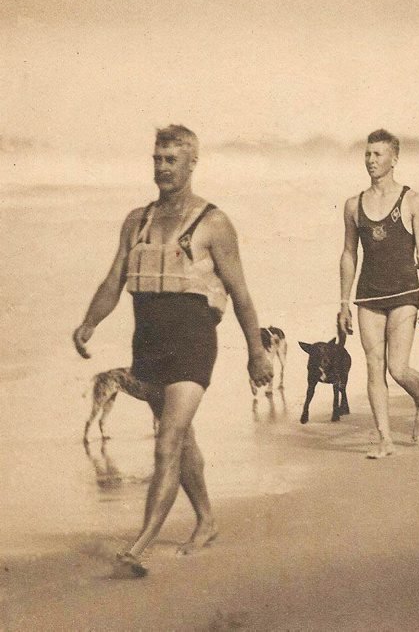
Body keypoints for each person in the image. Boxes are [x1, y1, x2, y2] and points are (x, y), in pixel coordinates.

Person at [72, 125, 273, 578]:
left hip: (193, 343)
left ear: (191, 162)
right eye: (157, 159)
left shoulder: (213, 222)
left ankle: (138, 546)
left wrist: (256, 352)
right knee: (182, 440)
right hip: (148, 346)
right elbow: (113, 282)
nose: (162, 168)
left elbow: (240, 293)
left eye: (171, 160)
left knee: (167, 442)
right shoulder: (136, 220)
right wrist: (89, 323)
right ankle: (206, 520)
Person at [338, 129, 419, 458]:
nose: (371, 160)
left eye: (378, 154)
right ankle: (385, 439)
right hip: (368, 295)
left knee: (398, 368)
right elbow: (349, 254)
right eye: (368, 154)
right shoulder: (354, 205)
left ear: (394, 158)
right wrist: (343, 302)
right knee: (373, 365)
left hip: (405, 292)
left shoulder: (412, 201)